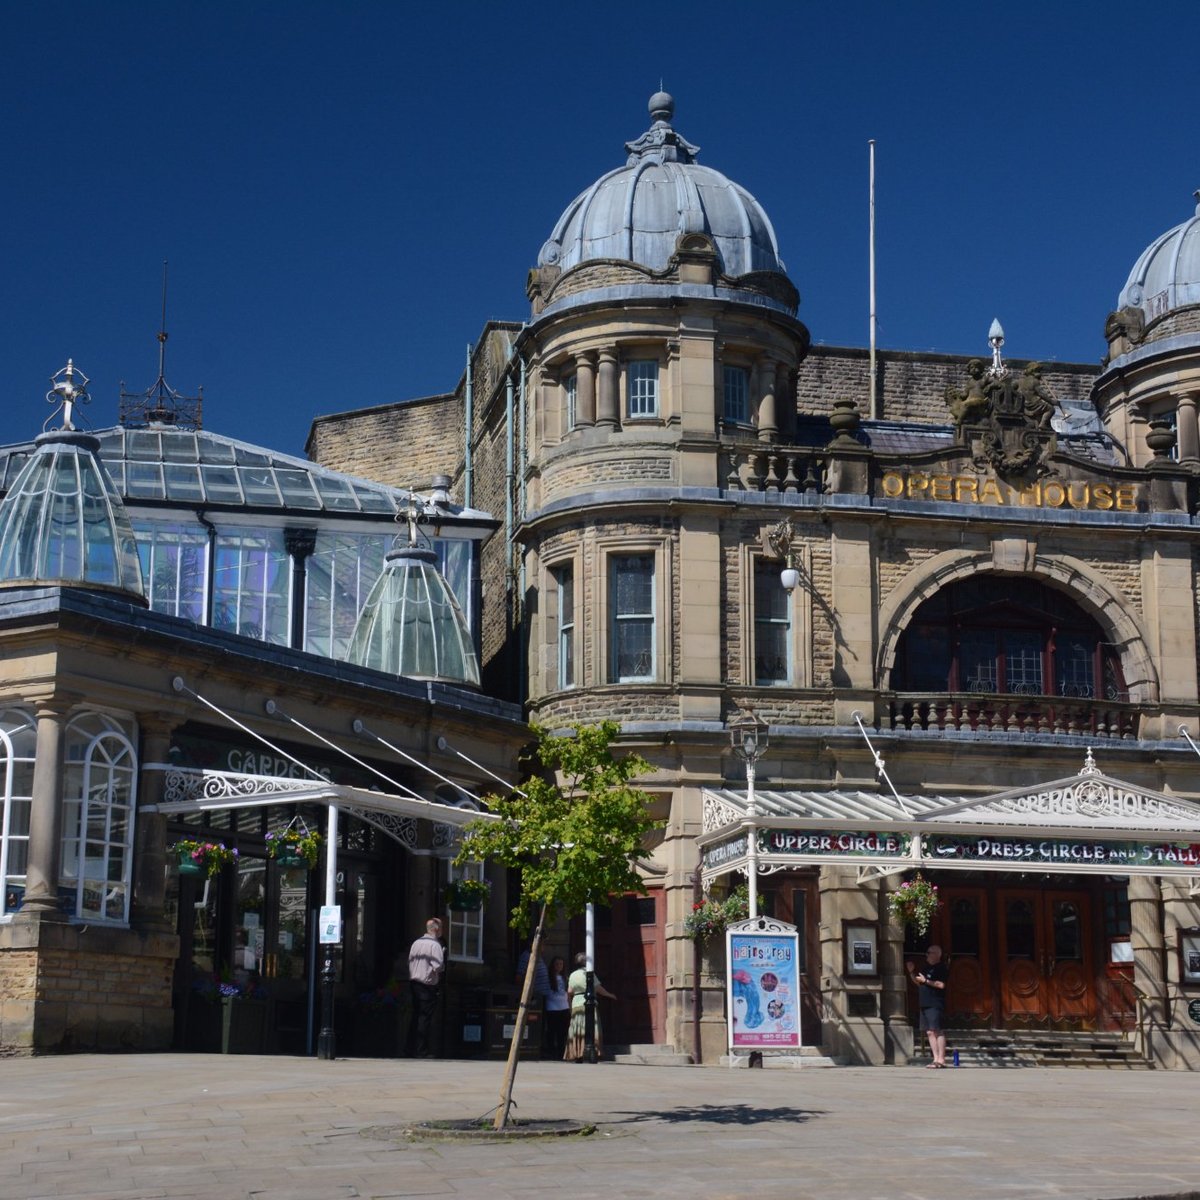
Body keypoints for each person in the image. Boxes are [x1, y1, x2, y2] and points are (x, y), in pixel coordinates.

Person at [564, 951, 616, 1062]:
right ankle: (592, 1053)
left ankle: (577, 1053)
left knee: (577, 1030)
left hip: (576, 1004)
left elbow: (569, 992)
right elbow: (598, 988)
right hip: (588, 1003)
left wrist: (569, 1006)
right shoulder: (589, 973)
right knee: (590, 1028)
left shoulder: (572, 975)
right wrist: (610, 995)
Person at [406, 918, 444, 1058]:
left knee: (415, 1016)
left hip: (414, 983)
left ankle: (409, 1048)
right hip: (427, 985)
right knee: (424, 1018)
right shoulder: (435, 946)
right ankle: (421, 1050)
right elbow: (438, 966)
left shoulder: (416, 943)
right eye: (441, 927)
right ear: (436, 929)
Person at [907, 944, 948, 1068]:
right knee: (929, 1032)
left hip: (935, 1003)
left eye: (929, 952)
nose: (927, 954)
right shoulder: (925, 968)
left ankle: (941, 1059)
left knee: (937, 1030)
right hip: (924, 1003)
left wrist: (926, 981)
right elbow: (919, 983)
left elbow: (941, 985)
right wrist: (911, 973)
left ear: (937, 954)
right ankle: (935, 1058)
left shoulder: (941, 968)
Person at [544, 955, 570, 1060]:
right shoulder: (549, 977)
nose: (559, 966)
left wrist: (570, 1007)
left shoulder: (565, 978)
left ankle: (561, 1052)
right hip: (552, 1008)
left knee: (562, 1032)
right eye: (557, 964)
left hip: (564, 1007)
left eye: (561, 964)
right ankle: (551, 1051)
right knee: (552, 1031)